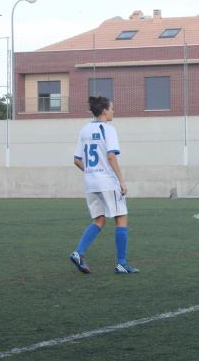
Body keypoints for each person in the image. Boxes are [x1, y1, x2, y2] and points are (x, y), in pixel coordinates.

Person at [70, 96, 139, 274]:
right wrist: (122, 181)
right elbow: (111, 156)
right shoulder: (108, 129)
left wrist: (92, 172)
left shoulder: (84, 130)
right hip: (107, 181)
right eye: (112, 108)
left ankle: (79, 253)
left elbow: (77, 160)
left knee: (99, 221)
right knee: (121, 218)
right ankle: (122, 263)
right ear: (104, 110)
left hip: (90, 182)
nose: (113, 111)